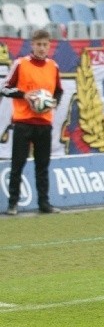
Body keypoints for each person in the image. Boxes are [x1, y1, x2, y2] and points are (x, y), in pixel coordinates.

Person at [1, 29, 64, 215]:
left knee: (42, 165)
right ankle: (13, 204)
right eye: (38, 44)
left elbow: (58, 91)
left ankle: (44, 204)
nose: (42, 48)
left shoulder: (53, 66)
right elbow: (4, 89)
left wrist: (54, 102)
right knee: (18, 163)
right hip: (23, 123)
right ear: (32, 45)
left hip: (44, 123)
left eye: (45, 45)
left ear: (49, 46)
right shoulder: (21, 64)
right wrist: (24, 95)